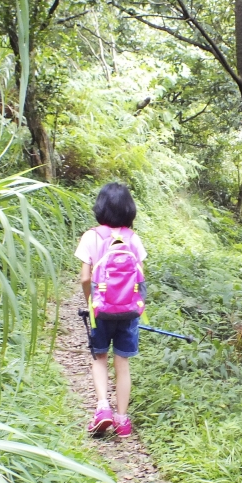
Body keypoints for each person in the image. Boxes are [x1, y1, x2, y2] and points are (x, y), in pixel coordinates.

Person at [75, 183, 147, 438]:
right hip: (128, 312)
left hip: (101, 311)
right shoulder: (133, 238)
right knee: (123, 363)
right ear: (129, 209)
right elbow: (140, 278)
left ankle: (103, 408)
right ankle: (122, 420)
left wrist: (90, 302)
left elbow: (85, 278)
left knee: (100, 358)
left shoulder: (91, 236)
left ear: (100, 206)